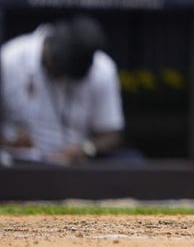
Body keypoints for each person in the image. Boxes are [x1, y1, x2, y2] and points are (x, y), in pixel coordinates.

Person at [0, 15, 124, 165]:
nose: (61, 78)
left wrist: (86, 149)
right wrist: (9, 142)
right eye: (59, 71)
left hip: (75, 168)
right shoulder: (9, 59)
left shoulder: (102, 69)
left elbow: (111, 134)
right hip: (15, 165)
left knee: (130, 161)